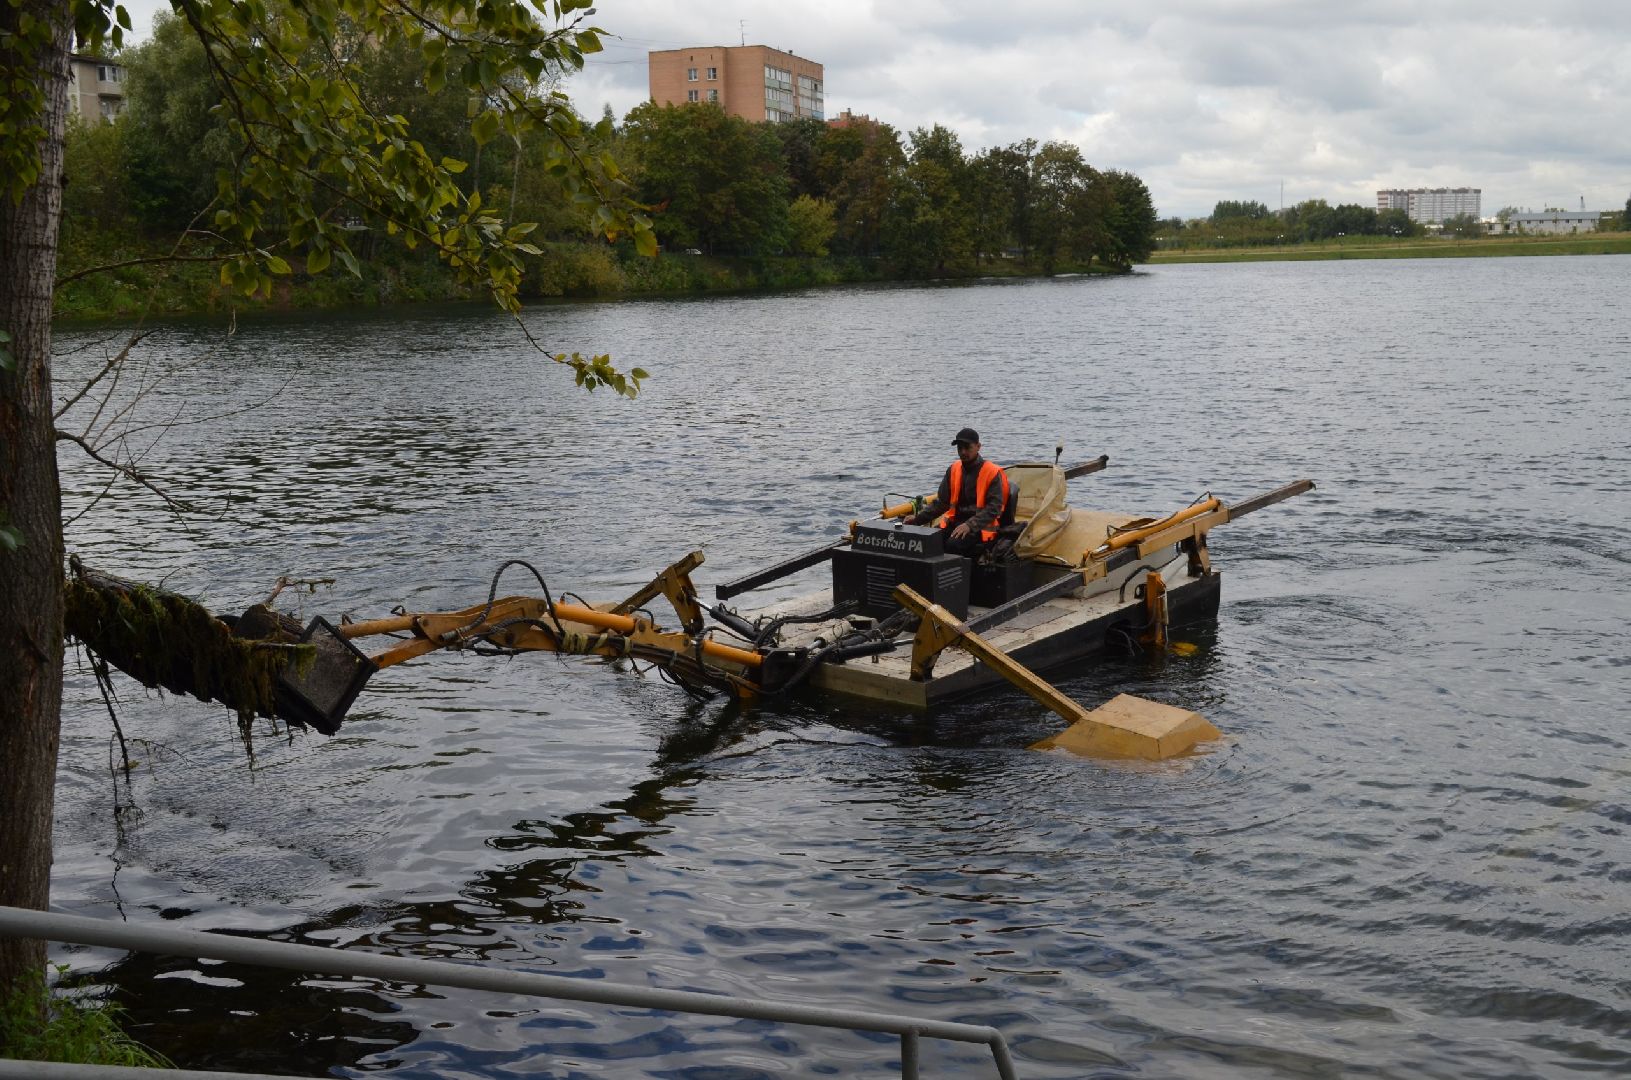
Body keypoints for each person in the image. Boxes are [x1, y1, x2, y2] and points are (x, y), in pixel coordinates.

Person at [907, 427, 1011, 558]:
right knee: (929, 541)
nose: (963, 452)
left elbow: (993, 509)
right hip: (955, 524)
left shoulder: (992, 472)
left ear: (978, 446)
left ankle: (954, 576)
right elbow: (941, 503)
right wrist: (917, 520)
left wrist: (969, 525)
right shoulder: (954, 469)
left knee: (953, 545)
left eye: (967, 447)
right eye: (959, 448)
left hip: (981, 528)